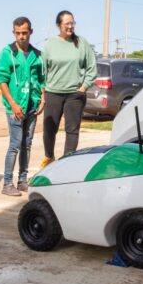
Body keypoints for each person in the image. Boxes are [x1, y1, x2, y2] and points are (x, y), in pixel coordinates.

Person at [0, 17, 45, 196]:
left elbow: (41, 79)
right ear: (13, 33)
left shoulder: (37, 55)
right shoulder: (7, 53)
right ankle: (7, 183)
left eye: (24, 33)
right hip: (15, 107)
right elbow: (1, 81)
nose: (21, 37)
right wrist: (13, 104)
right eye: (18, 33)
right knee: (15, 144)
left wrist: (42, 99)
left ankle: (23, 180)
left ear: (31, 32)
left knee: (27, 144)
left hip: (32, 105)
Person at [40, 10, 97, 167]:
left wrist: (84, 87)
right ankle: (49, 157)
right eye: (67, 23)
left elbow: (92, 67)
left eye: (72, 23)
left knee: (72, 131)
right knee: (49, 131)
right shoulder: (50, 44)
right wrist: (43, 91)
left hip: (74, 95)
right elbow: (42, 70)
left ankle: (66, 164)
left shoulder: (82, 43)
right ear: (59, 25)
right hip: (53, 93)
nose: (70, 26)